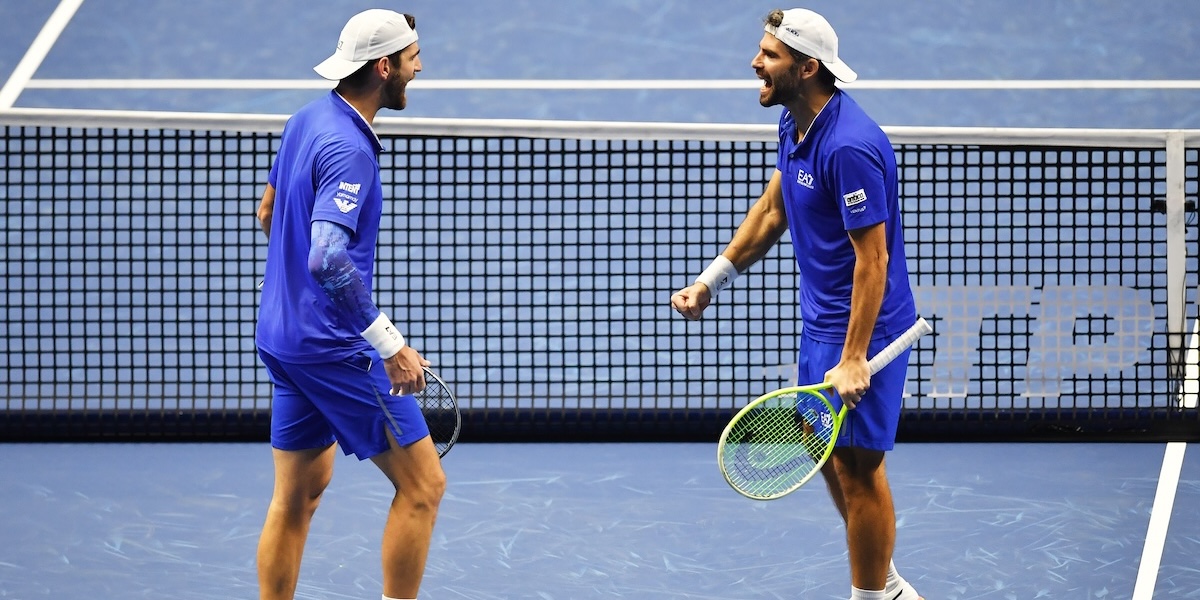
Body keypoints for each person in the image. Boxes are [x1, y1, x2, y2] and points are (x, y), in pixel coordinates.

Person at [671, 8, 922, 600]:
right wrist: (713, 280)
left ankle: (871, 594)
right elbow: (773, 211)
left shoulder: (850, 147)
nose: (755, 62)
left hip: (868, 330)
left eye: (770, 54)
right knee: (831, 455)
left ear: (807, 68)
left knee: (859, 468)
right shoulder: (797, 123)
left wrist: (857, 355)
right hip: (822, 326)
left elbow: (874, 261)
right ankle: (884, 584)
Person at [253, 9, 444, 600]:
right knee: (423, 487)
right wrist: (390, 345)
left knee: (297, 496)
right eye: (412, 58)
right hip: (337, 351)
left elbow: (268, 212)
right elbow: (328, 260)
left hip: (283, 339)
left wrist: (304, 302)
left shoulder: (305, 119)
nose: (419, 67)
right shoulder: (351, 150)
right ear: (384, 67)